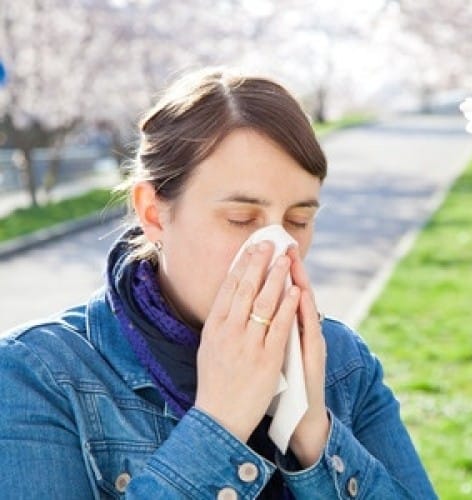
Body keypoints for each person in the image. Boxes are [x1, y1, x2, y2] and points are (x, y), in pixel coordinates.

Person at [0, 67, 437, 499]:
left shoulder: (342, 362)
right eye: (241, 219)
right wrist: (220, 423)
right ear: (153, 213)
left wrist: (313, 436)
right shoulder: (38, 375)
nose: (279, 248)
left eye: (298, 220)